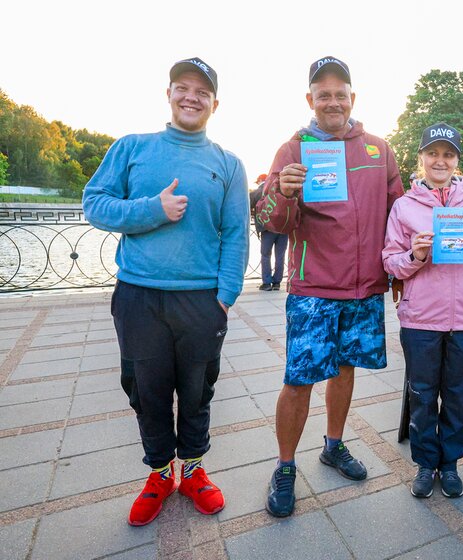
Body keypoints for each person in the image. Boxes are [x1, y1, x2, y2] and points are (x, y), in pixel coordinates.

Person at [82, 57, 249, 526]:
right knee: (146, 390)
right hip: (139, 296)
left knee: (196, 391)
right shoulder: (132, 147)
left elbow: (237, 233)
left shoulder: (229, 164)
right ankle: (159, 474)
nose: (191, 97)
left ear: (215, 103)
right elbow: (94, 204)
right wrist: (152, 209)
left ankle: (193, 470)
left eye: (202, 92)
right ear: (169, 93)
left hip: (202, 301)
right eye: (183, 87)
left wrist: (226, 296)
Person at [264, 56, 403, 517]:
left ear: (352, 98)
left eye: (340, 94)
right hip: (314, 290)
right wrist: (283, 192)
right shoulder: (292, 150)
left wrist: (401, 272)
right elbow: (273, 222)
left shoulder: (379, 150)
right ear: (310, 100)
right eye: (323, 95)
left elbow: (399, 216)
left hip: (364, 289)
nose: (332, 102)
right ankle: (285, 466)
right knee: (299, 380)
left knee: (345, 371)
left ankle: (333, 445)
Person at [383, 123, 463, 499]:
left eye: (448, 154)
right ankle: (424, 463)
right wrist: (415, 255)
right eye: (433, 153)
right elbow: (390, 261)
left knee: (459, 395)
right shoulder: (404, 206)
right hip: (420, 318)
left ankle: (449, 464)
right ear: (420, 158)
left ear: (456, 160)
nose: (440, 161)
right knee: (421, 395)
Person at [250, 173, 289, 291]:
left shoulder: (258, 192)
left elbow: (247, 207)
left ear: (260, 181)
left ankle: (266, 283)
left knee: (266, 255)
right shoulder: (281, 189)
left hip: (267, 229)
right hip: (283, 227)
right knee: (280, 255)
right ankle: (277, 282)